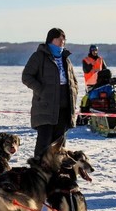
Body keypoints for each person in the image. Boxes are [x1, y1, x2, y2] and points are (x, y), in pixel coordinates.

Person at [22, 28, 79, 157]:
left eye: (64, 40)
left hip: (64, 108)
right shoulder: (39, 56)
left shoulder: (66, 59)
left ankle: (56, 173)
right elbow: (26, 76)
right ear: (51, 40)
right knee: (44, 144)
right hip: (45, 107)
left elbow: (72, 80)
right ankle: (37, 173)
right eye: (59, 39)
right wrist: (41, 90)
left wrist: (74, 92)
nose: (62, 42)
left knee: (59, 145)